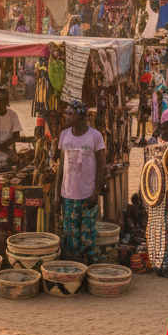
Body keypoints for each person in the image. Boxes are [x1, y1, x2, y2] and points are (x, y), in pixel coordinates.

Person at [54, 100, 106, 265]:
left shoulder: (95, 136)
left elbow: (100, 166)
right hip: (68, 194)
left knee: (87, 234)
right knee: (70, 235)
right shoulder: (64, 135)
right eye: (67, 112)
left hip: (87, 194)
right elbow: (61, 166)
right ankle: (73, 267)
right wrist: (57, 194)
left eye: (70, 113)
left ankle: (87, 267)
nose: (66, 115)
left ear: (81, 116)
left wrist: (96, 191)